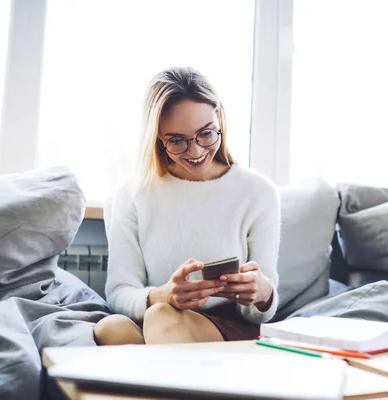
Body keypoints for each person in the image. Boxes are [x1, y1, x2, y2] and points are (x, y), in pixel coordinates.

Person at [93, 66, 280, 345]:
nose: (195, 152)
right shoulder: (134, 194)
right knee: (110, 327)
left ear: (220, 120)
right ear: (157, 138)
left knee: (159, 319)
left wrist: (262, 292)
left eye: (206, 133)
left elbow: (263, 310)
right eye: (177, 141)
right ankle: (175, 376)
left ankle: (161, 376)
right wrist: (164, 295)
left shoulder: (257, 191)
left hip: (230, 326)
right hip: (161, 316)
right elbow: (120, 292)